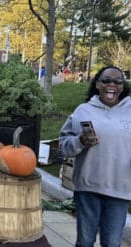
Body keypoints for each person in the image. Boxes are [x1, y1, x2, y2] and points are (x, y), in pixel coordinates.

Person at [59, 65, 130, 247]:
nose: (111, 84)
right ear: (98, 84)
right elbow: (64, 146)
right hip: (88, 188)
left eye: (117, 81)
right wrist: (80, 142)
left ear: (123, 86)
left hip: (119, 189)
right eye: (106, 80)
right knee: (85, 242)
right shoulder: (83, 111)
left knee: (112, 243)